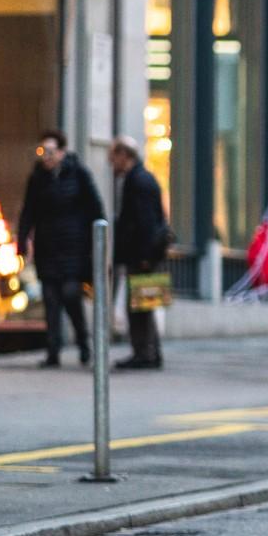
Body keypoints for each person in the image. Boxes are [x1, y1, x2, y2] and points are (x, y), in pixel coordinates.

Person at [18, 129, 105, 368]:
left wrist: (96, 243)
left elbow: (95, 209)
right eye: (42, 152)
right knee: (50, 299)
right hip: (48, 246)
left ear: (62, 152)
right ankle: (53, 350)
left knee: (69, 293)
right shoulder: (37, 179)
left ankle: (83, 342)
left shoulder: (78, 174)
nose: (46, 157)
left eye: (50, 151)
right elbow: (29, 211)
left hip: (74, 246)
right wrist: (22, 240)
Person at [109, 136, 170, 370]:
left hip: (143, 255)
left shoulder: (138, 181)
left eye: (114, 158)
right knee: (145, 304)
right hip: (145, 253)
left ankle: (145, 353)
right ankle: (149, 353)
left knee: (139, 307)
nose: (112, 164)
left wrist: (144, 256)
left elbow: (145, 222)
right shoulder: (141, 178)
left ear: (124, 156)